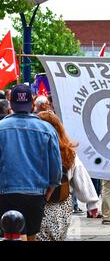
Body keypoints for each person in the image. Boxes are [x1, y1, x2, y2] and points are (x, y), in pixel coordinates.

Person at [0, 84, 62, 241]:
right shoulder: (47, 129)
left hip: (5, 192)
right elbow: (56, 167)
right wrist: (50, 189)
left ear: (11, 103)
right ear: (32, 104)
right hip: (35, 193)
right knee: (31, 236)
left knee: (8, 233)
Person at [35, 111, 99, 241]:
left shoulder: (32, 150)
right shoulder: (68, 153)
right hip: (62, 204)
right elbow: (80, 176)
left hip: (39, 202)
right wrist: (91, 203)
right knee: (56, 236)